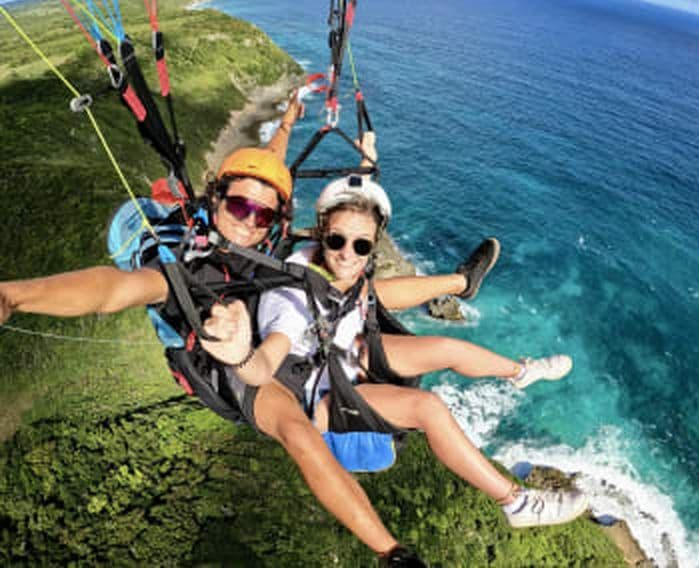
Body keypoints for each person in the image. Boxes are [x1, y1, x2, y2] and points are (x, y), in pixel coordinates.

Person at [0, 94, 576, 563]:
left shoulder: (276, 241)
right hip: (252, 371)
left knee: (385, 310)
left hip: (316, 347)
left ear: (277, 218)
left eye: (262, 214)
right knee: (304, 433)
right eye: (238, 208)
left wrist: (291, 123)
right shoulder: (188, 271)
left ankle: (469, 302)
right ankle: (396, 552)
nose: (247, 222)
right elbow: (113, 289)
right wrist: (17, 296)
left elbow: (271, 169)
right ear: (215, 201)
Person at [199, 175, 589, 565]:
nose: (347, 253)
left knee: (443, 346)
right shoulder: (292, 303)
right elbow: (267, 361)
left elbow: (360, 264)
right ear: (321, 234)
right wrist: (241, 357)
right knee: (427, 407)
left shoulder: (330, 265)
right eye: (337, 241)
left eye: (361, 245)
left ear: (373, 245)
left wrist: (365, 165)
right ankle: (516, 503)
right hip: (314, 393)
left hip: (337, 351)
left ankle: (520, 371)